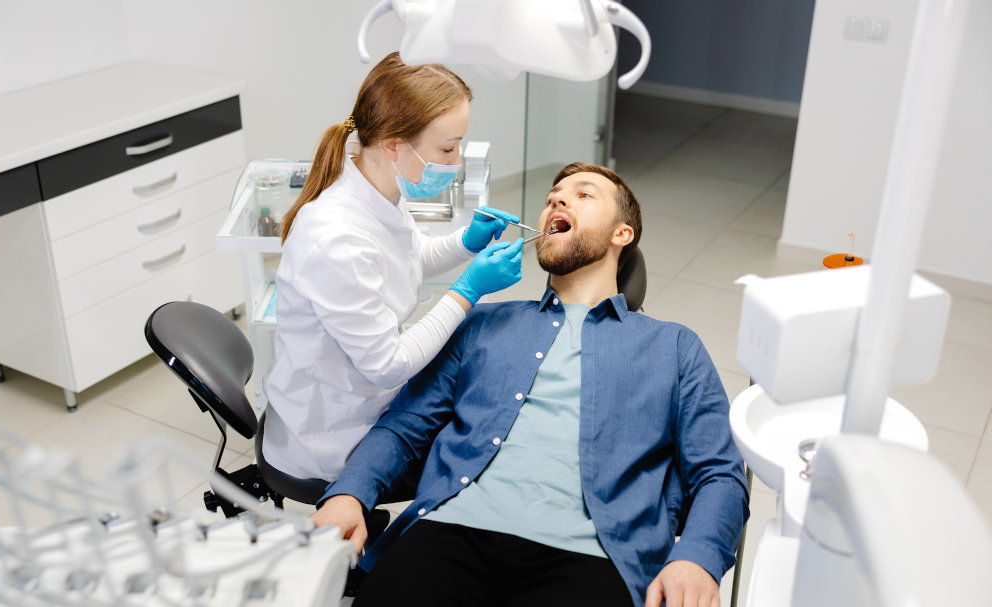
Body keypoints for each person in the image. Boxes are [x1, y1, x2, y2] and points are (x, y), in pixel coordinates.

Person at [312, 161, 750, 607]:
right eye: (552, 197)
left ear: (622, 234)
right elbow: (404, 427)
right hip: (449, 533)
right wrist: (351, 493)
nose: (556, 200)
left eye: (583, 194)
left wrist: (696, 557)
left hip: (591, 558)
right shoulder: (481, 323)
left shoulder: (674, 347)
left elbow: (719, 472)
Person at [262, 52, 524, 483]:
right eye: (447, 147)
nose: (457, 160)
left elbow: (405, 258)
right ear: (393, 145)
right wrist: (468, 290)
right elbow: (387, 365)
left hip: (361, 392)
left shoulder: (378, 184)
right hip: (333, 432)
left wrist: (467, 242)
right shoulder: (334, 238)